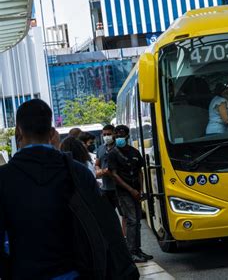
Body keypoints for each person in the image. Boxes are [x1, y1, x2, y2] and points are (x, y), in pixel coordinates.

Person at [0, 99, 99, 278]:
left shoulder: (4, 178)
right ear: (52, 132)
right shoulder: (79, 173)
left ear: (18, 131)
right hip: (76, 273)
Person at [108, 125, 153, 263]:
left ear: (127, 136)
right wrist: (131, 190)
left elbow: (140, 171)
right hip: (124, 192)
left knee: (137, 221)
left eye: (121, 135)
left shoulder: (134, 152)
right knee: (132, 220)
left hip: (136, 191)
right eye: (117, 136)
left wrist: (140, 190)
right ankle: (131, 252)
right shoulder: (113, 154)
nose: (119, 138)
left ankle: (137, 250)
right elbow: (114, 175)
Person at [95, 125, 122, 218]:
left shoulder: (119, 147)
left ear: (114, 134)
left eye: (109, 134)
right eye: (104, 134)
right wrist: (98, 170)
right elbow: (97, 163)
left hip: (119, 187)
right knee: (107, 215)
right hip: (106, 188)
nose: (106, 136)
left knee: (124, 215)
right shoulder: (100, 148)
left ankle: (124, 233)